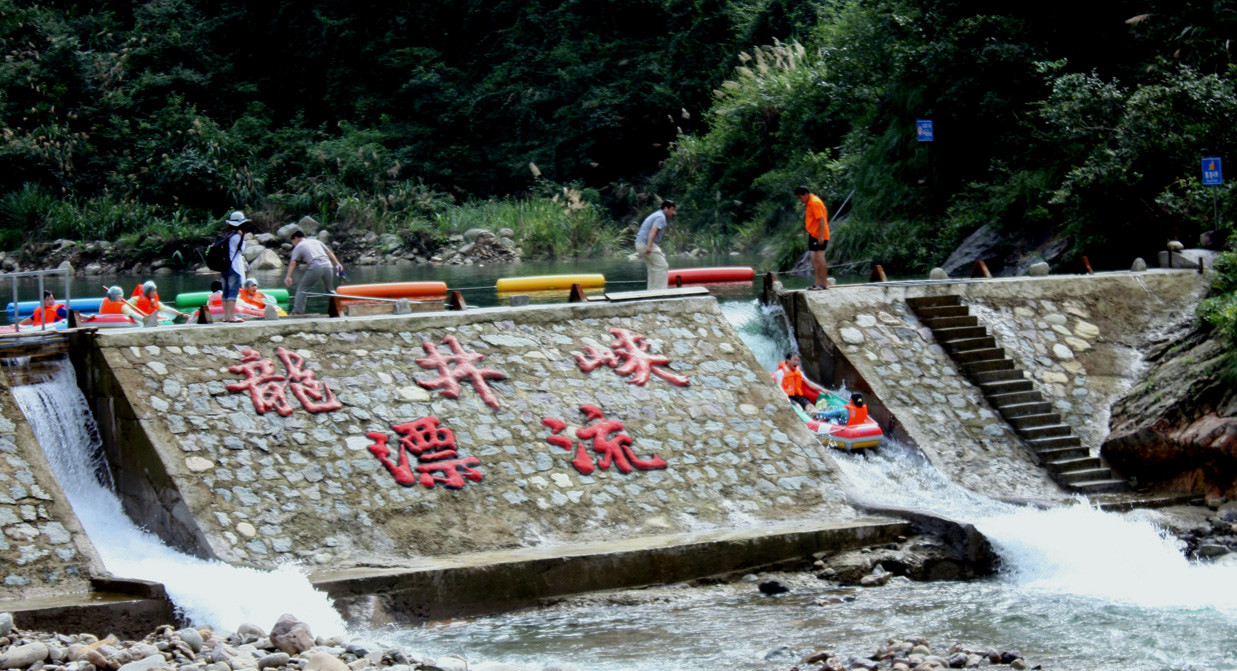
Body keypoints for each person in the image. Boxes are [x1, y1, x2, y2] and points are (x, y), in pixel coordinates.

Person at [284, 230, 343, 315]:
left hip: (315, 267)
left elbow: (293, 262)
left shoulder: (299, 245)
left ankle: (297, 312)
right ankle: (339, 310)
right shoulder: (316, 241)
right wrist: (338, 264)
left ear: (296, 238)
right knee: (330, 290)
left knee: (302, 290)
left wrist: (288, 277)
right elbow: (329, 252)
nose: (293, 244)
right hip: (328, 266)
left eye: (293, 242)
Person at [635, 200, 676, 290]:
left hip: (640, 243)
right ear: (666, 208)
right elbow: (653, 230)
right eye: (672, 210)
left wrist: (641, 249)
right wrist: (649, 246)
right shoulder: (661, 217)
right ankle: (660, 292)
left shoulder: (656, 214)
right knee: (662, 266)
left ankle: (651, 291)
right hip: (646, 243)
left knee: (652, 267)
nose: (674, 213)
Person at [794, 186, 829, 290]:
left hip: (819, 235)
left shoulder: (814, 202)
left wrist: (821, 235)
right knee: (813, 258)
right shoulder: (810, 202)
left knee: (820, 258)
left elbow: (822, 219)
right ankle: (818, 282)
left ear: (805, 194)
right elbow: (825, 210)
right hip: (813, 234)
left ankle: (825, 284)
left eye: (800, 197)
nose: (800, 200)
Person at [219, 211, 252, 323]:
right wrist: (242, 237)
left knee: (225, 293)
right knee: (233, 293)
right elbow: (241, 250)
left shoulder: (226, 235)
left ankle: (226, 316)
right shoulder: (237, 237)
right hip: (234, 267)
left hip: (224, 267)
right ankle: (231, 317)